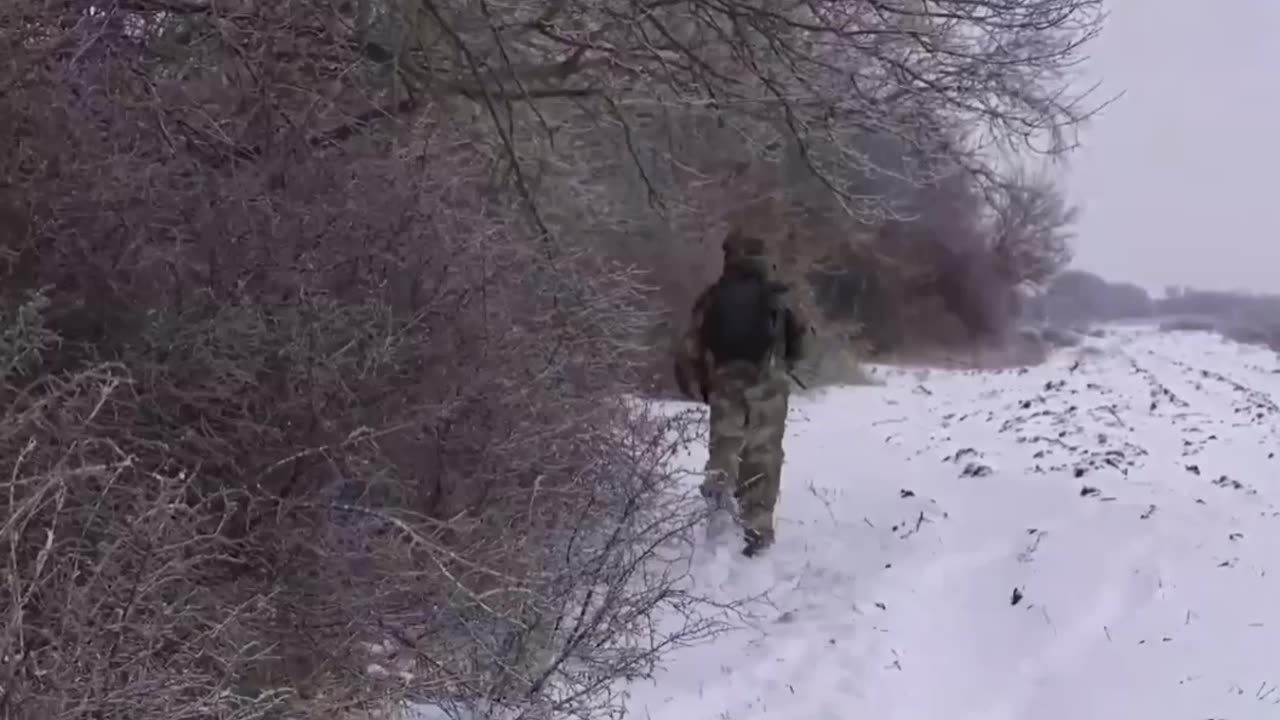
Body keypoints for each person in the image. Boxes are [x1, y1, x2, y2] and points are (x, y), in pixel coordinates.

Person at [674, 225, 808, 557]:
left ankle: (719, 511)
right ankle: (757, 530)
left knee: (725, 445)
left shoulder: (711, 297)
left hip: (724, 383)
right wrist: (784, 366)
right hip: (768, 386)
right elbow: (803, 344)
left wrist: (698, 383)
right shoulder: (780, 297)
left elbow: (688, 348)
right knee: (762, 453)